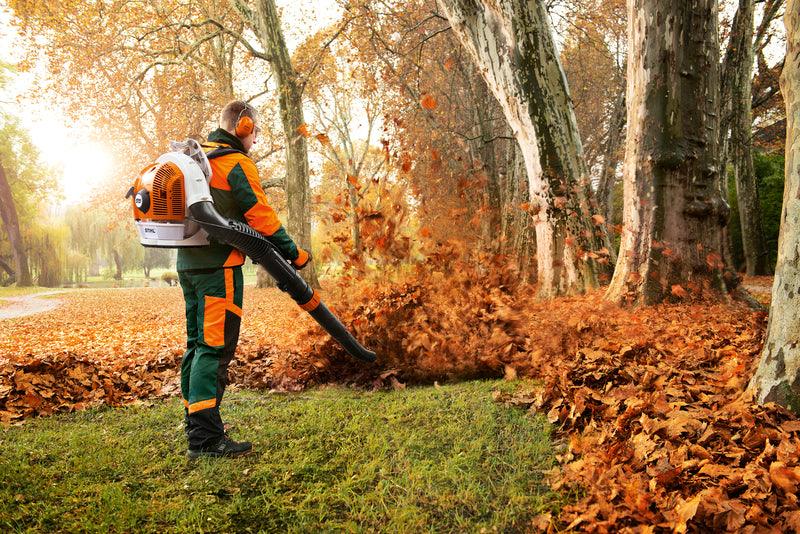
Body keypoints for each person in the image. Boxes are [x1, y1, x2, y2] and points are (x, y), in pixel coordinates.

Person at [178, 100, 311, 459]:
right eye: (256, 131)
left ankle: (195, 422)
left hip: (188, 265)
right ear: (244, 125)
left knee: (196, 344)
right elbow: (261, 216)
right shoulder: (235, 162)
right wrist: (295, 254)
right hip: (219, 268)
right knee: (214, 348)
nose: (255, 139)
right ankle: (205, 439)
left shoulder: (196, 156)